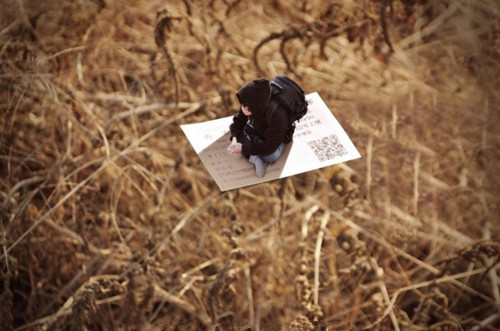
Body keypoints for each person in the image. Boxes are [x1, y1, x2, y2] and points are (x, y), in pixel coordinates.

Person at [227, 77, 290, 177]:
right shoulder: (248, 103)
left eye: (247, 107)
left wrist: (243, 147)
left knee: (270, 157)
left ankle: (254, 149)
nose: (244, 108)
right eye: (243, 105)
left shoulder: (277, 115)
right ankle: (254, 156)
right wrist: (234, 139)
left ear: (257, 106)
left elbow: (270, 146)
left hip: (275, 139)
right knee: (237, 134)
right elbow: (237, 123)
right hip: (258, 131)